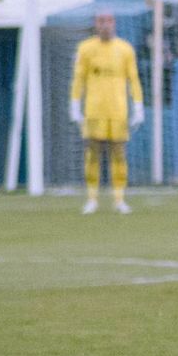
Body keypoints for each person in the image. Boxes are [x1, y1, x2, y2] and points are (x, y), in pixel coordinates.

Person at [69, 12, 144, 215]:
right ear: (96, 24)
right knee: (92, 152)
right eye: (101, 21)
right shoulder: (85, 48)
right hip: (94, 109)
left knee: (118, 152)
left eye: (109, 21)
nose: (105, 25)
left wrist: (138, 106)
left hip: (118, 110)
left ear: (114, 23)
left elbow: (133, 79)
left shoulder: (125, 49)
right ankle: (92, 199)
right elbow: (79, 78)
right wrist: (74, 105)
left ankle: (119, 199)